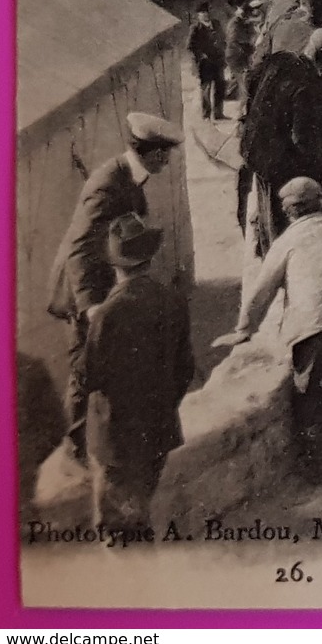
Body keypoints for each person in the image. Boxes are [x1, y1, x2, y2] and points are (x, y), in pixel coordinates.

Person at [215, 178, 322, 488]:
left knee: (310, 397)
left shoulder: (288, 240)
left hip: (317, 326)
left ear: (289, 212)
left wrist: (243, 329)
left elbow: (261, 291)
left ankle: (319, 473)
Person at [46, 112, 184, 464]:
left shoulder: (129, 177)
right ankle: (76, 453)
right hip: (84, 289)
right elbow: (79, 248)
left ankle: (95, 445)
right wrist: (91, 306)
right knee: (83, 368)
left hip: (105, 283)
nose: (167, 162)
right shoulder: (108, 183)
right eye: (164, 155)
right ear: (150, 152)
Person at [82, 214, 194, 534]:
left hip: (117, 444)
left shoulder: (107, 313)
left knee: (120, 531)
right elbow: (185, 368)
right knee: (138, 513)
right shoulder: (172, 300)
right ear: (149, 257)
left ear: (114, 264)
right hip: (158, 432)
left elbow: (89, 377)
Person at [240, 26, 322, 242]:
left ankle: (268, 241)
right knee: (294, 198)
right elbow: (302, 139)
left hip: (254, 145)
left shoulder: (283, 60)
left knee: (269, 205)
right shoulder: (306, 84)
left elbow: (251, 81)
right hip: (272, 157)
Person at [188, 3, 227, 121]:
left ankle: (219, 114)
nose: (205, 15)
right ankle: (206, 115)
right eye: (202, 13)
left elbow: (223, 39)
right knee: (206, 89)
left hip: (218, 61)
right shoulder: (195, 28)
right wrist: (201, 55)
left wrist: (223, 52)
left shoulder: (216, 24)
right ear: (198, 16)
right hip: (205, 63)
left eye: (207, 12)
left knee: (220, 86)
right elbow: (190, 46)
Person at [226, 0, 263, 102]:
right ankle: (240, 108)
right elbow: (234, 39)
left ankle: (233, 95)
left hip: (240, 55)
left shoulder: (242, 22)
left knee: (242, 81)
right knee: (243, 83)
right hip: (236, 56)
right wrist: (249, 47)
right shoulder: (235, 23)